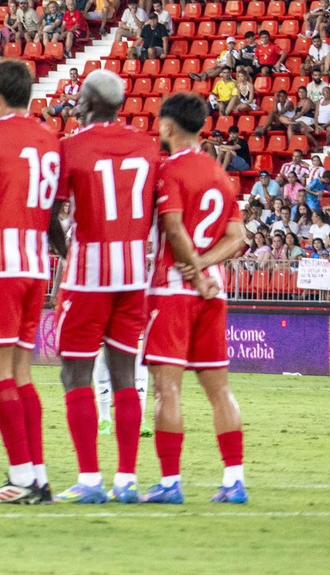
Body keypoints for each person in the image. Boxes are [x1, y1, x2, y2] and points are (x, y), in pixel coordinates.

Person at [51, 69, 160, 504]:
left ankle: (90, 480)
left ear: (93, 102)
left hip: (88, 275)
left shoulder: (71, 148)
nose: (74, 102)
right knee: (124, 375)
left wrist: (67, 253)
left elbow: (48, 216)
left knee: (74, 372)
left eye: (80, 96)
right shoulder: (148, 147)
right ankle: (127, 480)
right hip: (133, 275)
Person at [141, 92, 249, 504]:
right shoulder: (221, 175)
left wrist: (191, 269)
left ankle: (170, 483)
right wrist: (206, 269)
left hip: (172, 288)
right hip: (214, 291)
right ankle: (234, 480)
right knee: (219, 390)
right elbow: (237, 237)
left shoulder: (169, 170)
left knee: (167, 389)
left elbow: (172, 226)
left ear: (168, 127)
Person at [0, 60, 57, 504]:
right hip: (37, 264)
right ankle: (36, 476)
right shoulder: (48, 138)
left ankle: (20, 478)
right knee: (22, 373)